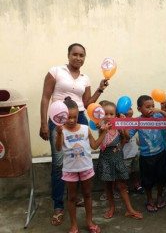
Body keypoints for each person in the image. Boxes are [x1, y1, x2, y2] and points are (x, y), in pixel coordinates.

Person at [39, 43, 108, 226]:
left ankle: (74, 197)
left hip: (80, 119)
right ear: (68, 55)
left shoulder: (85, 79)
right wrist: (43, 123)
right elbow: (46, 97)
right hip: (59, 120)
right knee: (59, 162)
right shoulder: (56, 71)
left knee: (80, 157)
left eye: (82, 55)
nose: (78, 58)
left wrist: (100, 89)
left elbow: (86, 103)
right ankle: (58, 205)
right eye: (75, 54)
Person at [55, 97, 109, 233]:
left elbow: (95, 145)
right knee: (72, 197)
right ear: (63, 116)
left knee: (87, 195)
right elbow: (57, 148)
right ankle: (74, 225)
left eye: (75, 117)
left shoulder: (85, 129)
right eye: (68, 117)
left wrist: (104, 132)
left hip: (86, 168)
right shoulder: (62, 131)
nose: (72, 120)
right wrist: (59, 134)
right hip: (70, 170)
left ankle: (89, 221)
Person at [96, 101, 143, 220]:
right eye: (105, 114)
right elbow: (100, 135)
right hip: (105, 160)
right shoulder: (101, 127)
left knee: (122, 186)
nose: (108, 116)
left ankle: (129, 210)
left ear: (116, 116)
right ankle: (112, 208)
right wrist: (103, 129)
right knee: (108, 186)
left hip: (118, 160)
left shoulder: (118, 127)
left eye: (111, 114)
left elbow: (127, 137)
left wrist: (124, 124)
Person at [128, 95, 166, 213]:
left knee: (161, 178)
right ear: (139, 109)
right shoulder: (137, 121)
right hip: (146, 157)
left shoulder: (157, 116)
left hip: (160, 154)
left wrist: (160, 110)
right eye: (147, 107)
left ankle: (159, 196)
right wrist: (123, 124)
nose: (151, 109)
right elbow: (128, 136)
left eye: (153, 106)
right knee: (147, 181)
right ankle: (149, 199)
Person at [122, 107, 144, 194]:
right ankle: (125, 186)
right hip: (125, 155)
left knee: (135, 171)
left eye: (131, 116)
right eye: (127, 116)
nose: (130, 118)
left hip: (134, 153)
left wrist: (138, 143)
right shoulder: (121, 126)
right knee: (125, 173)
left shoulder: (133, 125)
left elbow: (134, 137)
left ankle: (136, 184)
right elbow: (126, 139)